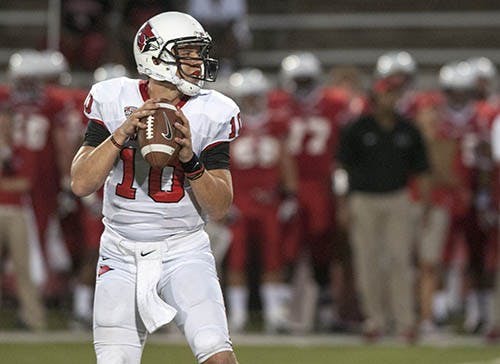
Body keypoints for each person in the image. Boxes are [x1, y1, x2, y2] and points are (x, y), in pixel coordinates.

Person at [70, 12, 240, 364]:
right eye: (188, 53)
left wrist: (192, 159)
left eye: (198, 53)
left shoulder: (212, 110)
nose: (198, 62)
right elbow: (81, 182)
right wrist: (120, 134)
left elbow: (220, 206)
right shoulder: (113, 97)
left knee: (218, 356)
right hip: (119, 251)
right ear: (155, 55)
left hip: (184, 250)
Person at [337, 74, 431, 342]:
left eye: (395, 94)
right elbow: (341, 169)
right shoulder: (357, 128)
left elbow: (422, 170)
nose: (392, 99)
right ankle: (374, 319)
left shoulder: (408, 129)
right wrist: (343, 203)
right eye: (387, 94)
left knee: (400, 260)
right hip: (363, 200)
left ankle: (405, 321)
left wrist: (422, 205)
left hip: (397, 198)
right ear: (375, 98)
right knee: (367, 261)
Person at [224, 68, 297, 333]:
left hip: (269, 201)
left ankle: (274, 314)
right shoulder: (227, 125)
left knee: (273, 256)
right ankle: (239, 314)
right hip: (239, 200)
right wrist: (222, 199)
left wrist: (290, 194)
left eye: (256, 96)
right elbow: (218, 165)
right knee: (236, 258)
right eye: (248, 97)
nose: (253, 101)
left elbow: (285, 158)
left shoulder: (276, 124)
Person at [0, 106, 47, 331]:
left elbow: (25, 184)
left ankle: (33, 318)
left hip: (16, 212)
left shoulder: (21, 149)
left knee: (22, 268)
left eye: (7, 123)